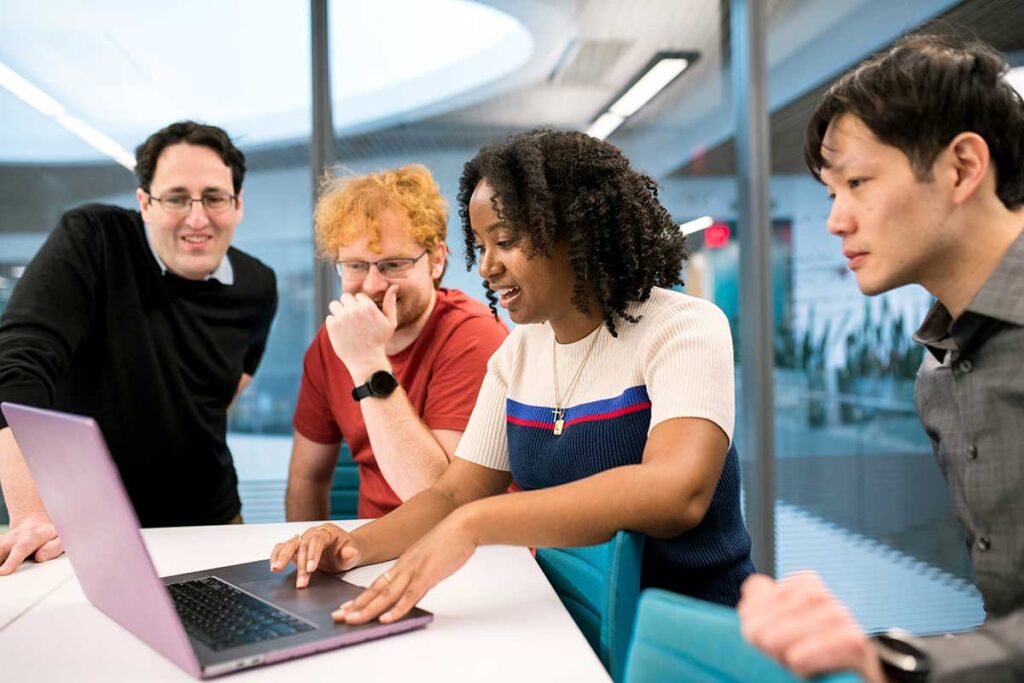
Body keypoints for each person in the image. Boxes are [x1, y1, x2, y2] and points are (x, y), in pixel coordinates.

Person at [271, 130, 754, 617]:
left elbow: (678, 492)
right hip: (567, 623)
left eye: (504, 241)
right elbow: (454, 493)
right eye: (481, 246)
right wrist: (354, 546)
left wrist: (477, 522)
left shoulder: (683, 327)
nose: (486, 267)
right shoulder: (519, 352)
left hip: (686, 637)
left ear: (576, 232)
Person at [738, 34, 1024, 683]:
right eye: (832, 191)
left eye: (858, 183)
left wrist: (897, 659)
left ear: (961, 168)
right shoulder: (941, 371)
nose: (836, 220)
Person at [0, 121, 278, 574]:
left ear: (238, 204)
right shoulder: (94, 238)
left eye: (213, 197)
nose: (197, 217)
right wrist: (32, 512)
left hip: (213, 521)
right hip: (86, 529)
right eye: (175, 198)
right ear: (145, 203)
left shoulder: (258, 284)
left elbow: (229, 389)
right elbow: (16, 364)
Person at [286, 164, 508, 521]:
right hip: (374, 548)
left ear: (436, 261)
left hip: (472, 551)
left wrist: (369, 363)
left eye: (392, 265)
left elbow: (441, 502)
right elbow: (307, 479)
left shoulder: (474, 336)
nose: (372, 285)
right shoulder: (333, 342)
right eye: (356, 266)